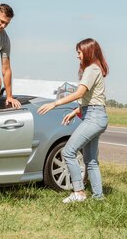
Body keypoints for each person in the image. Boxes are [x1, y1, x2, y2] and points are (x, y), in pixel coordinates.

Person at [37, 38, 109, 203]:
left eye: (79, 52)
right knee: (90, 160)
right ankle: (98, 197)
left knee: (68, 152)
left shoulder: (91, 69)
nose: (77, 56)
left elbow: (79, 93)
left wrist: (55, 103)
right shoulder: (95, 69)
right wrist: (76, 111)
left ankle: (79, 192)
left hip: (93, 117)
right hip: (95, 115)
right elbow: (94, 99)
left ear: (88, 51)